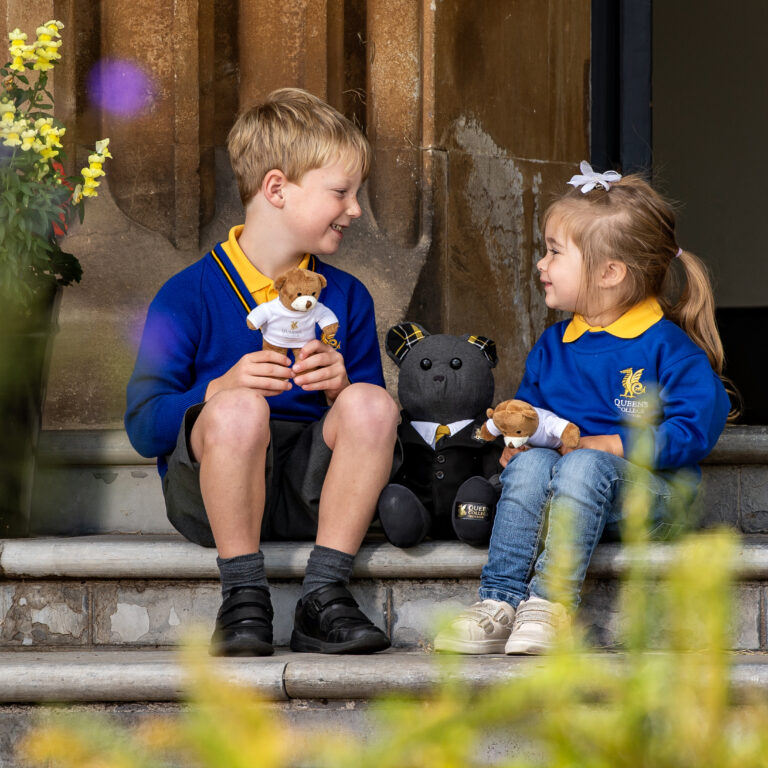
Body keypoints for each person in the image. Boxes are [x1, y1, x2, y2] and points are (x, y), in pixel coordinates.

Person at [125, 88, 399, 657]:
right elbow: (144, 426)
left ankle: (324, 594)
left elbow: (370, 423)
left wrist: (343, 388)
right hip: (213, 499)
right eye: (342, 192)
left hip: (312, 495)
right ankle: (243, 595)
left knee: (373, 403)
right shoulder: (185, 295)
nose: (354, 210)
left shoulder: (348, 297)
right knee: (239, 408)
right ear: (277, 189)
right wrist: (217, 390)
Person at [434, 162, 731, 655]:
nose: (541, 264)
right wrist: (518, 445)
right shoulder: (554, 345)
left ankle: (550, 606)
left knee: (587, 463)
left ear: (609, 273)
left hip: (652, 503)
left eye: (554, 252)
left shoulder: (667, 347)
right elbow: (532, 417)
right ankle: (499, 602)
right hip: (566, 501)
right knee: (531, 465)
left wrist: (613, 444)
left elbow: (696, 429)